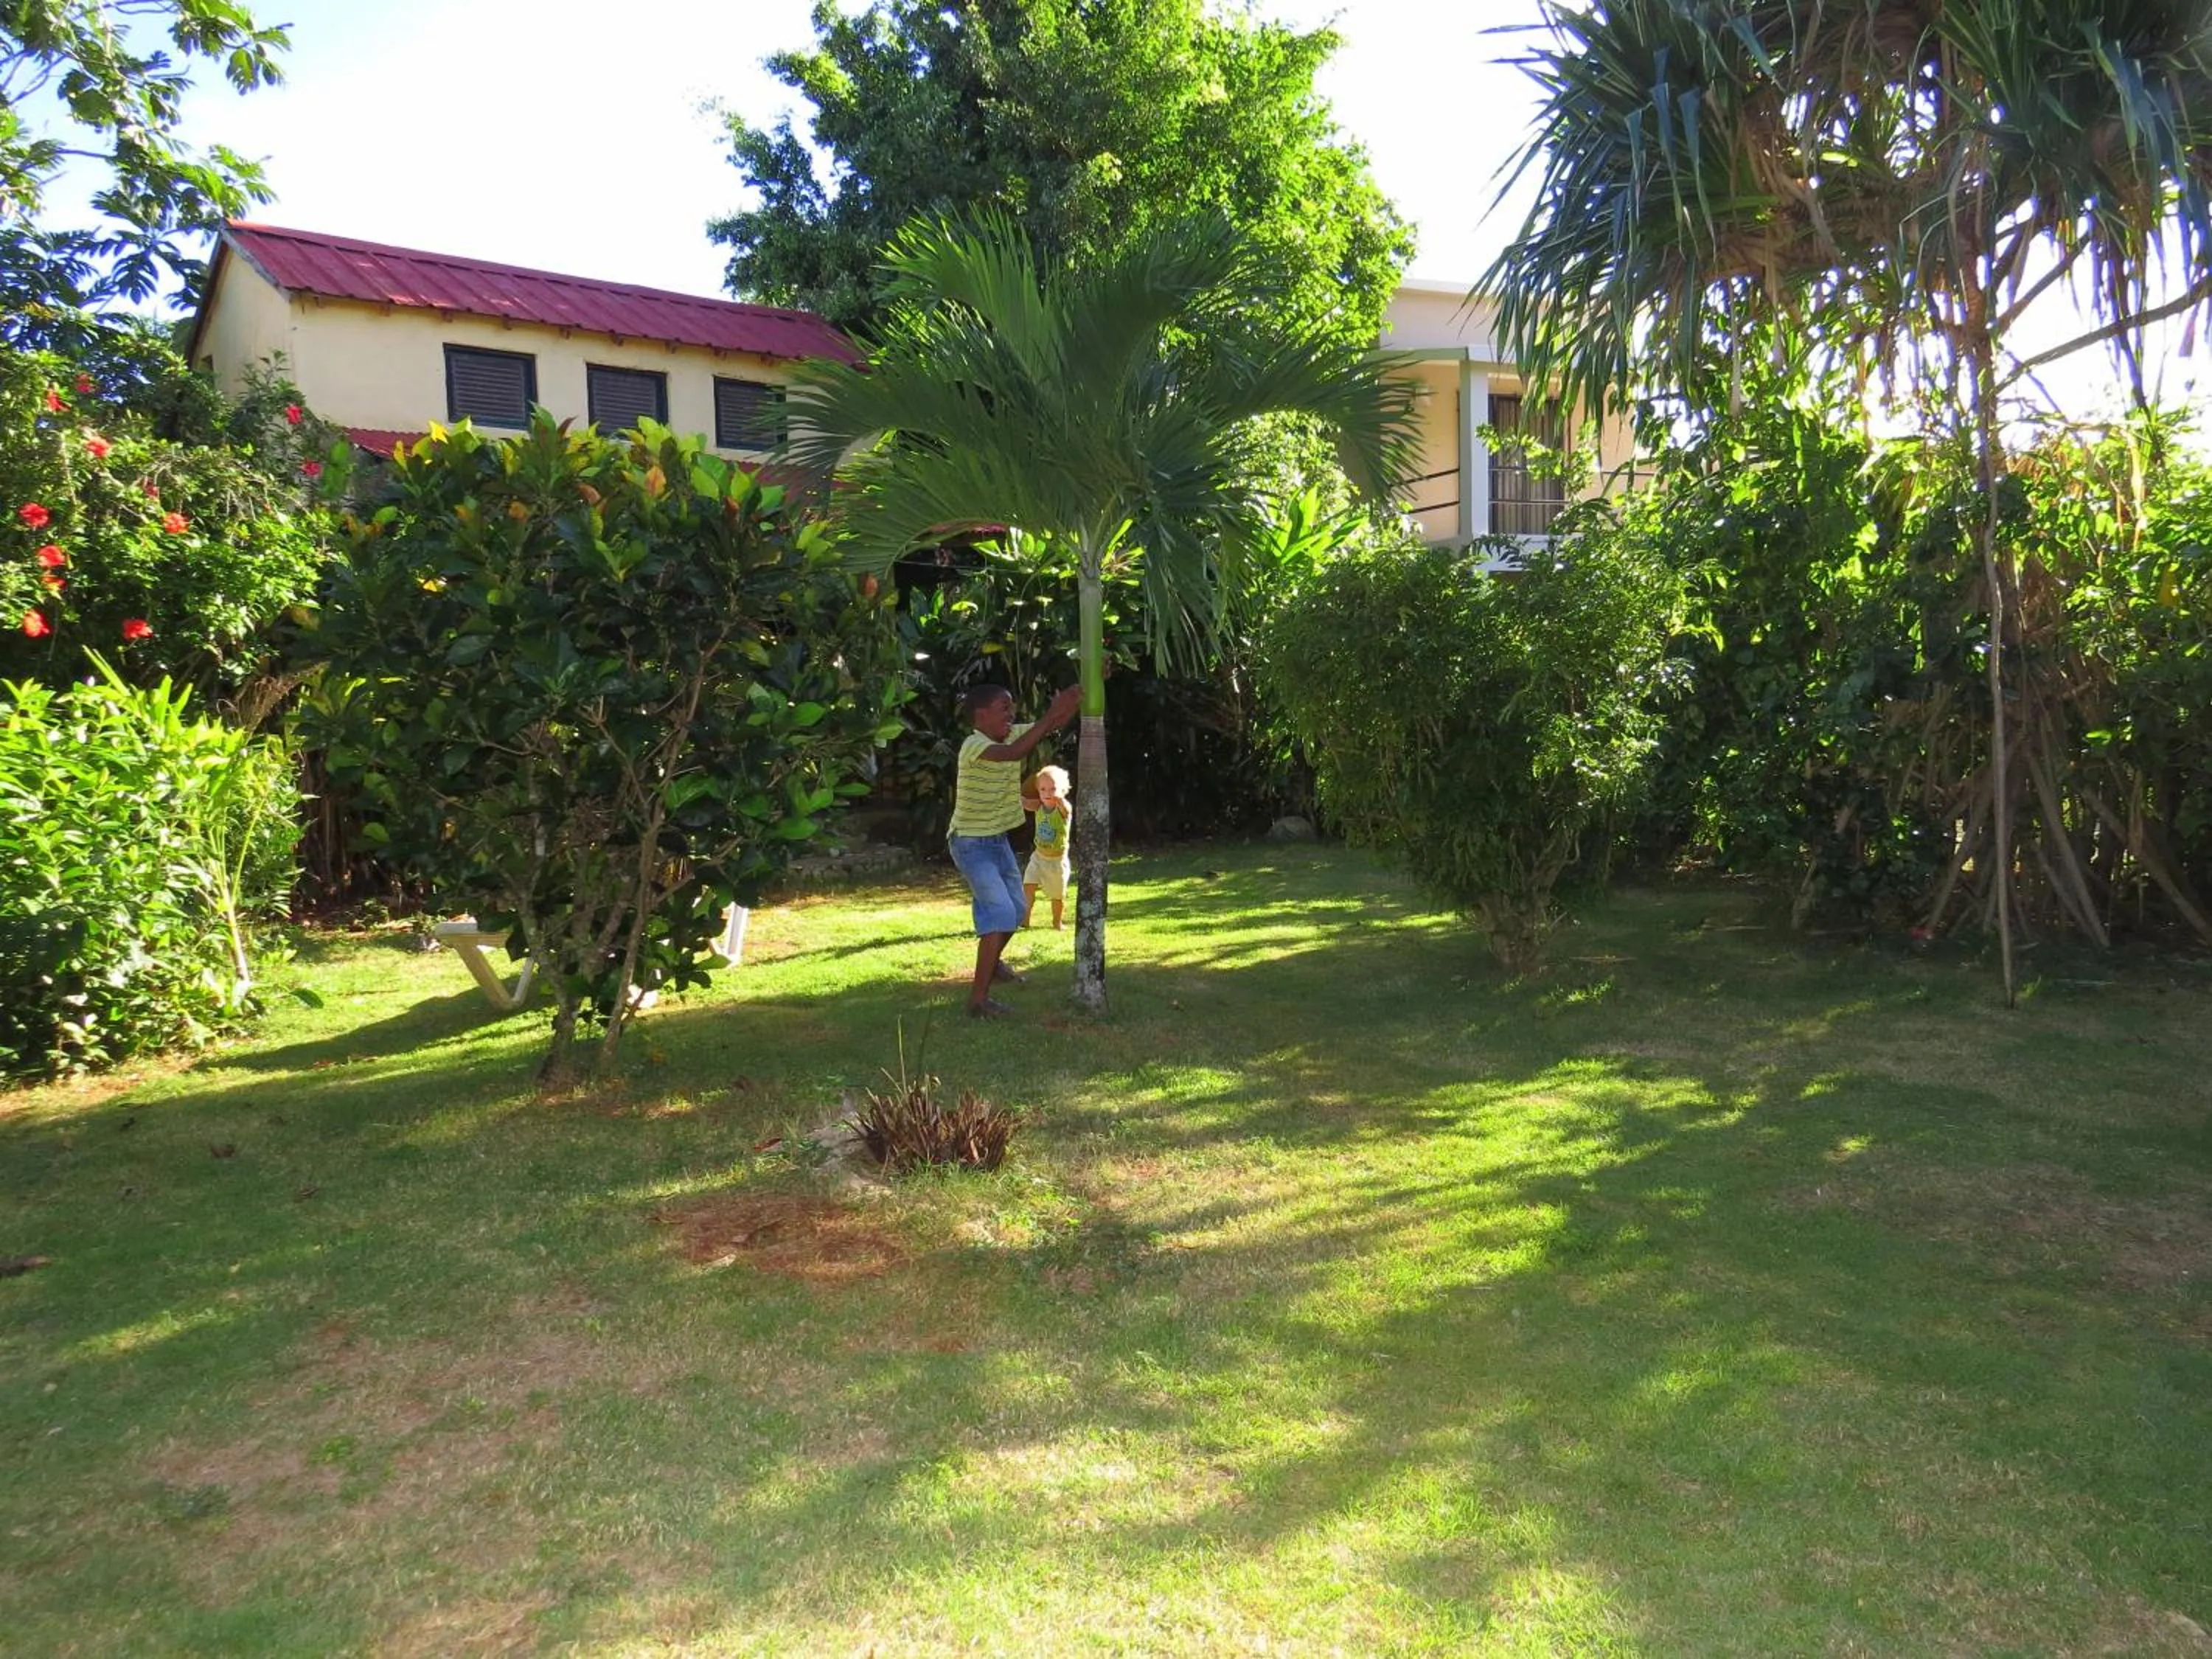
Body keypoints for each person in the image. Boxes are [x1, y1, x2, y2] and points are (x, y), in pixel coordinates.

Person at [947, 681, 1081, 1016]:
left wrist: (1082, 689)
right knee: (1001, 913)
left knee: (1018, 910)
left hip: (996, 839)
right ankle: (978, 1002)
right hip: (970, 843)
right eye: (1004, 708)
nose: (1012, 714)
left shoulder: (1008, 734)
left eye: (1012, 708)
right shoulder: (974, 745)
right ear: (980, 716)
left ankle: (991, 964)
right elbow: (1016, 752)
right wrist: (1051, 714)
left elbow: (1054, 723)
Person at [1020, 765, 1072, 931]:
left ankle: (1057, 922)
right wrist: (1019, 799)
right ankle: (1025, 919)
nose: (1048, 793)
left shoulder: (1063, 809)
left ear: (1063, 789)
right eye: (1043, 789)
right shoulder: (1039, 806)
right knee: (1028, 886)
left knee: (1057, 896)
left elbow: (1066, 809)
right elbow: (1027, 803)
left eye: (1053, 788)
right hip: (1038, 857)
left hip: (1057, 862)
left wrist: (1060, 799)